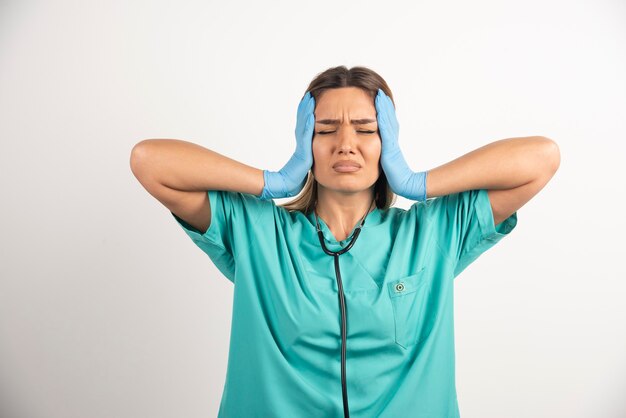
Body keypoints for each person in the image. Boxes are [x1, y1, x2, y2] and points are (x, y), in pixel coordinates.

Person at [130, 65, 560, 418]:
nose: (345, 145)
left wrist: (417, 182)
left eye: (366, 129)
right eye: (325, 129)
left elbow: (541, 158)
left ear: (387, 143)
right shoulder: (257, 231)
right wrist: (274, 180)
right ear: (305, 143)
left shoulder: (433, 234)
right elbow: (150, 161)